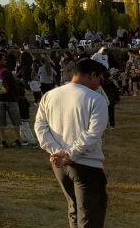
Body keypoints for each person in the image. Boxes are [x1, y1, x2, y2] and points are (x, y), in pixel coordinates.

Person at [34, 59, 109, 228]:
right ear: (92, 75)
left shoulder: (50, 95)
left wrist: (56, 151)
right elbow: (92, 135)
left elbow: (40, 127)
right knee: (90, 215)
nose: (99, 84)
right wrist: (68, 154)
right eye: (99, 78)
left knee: (74, 209)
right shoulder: (96, 99)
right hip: (86, 164)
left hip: (59, 165)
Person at [0, 53, 23, 148]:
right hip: (10, 99)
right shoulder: (6, 71)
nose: (5, 61)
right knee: (15, 121)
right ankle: (18, 140)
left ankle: (3, 141)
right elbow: (13, 85)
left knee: (1, 121)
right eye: (3, 59)